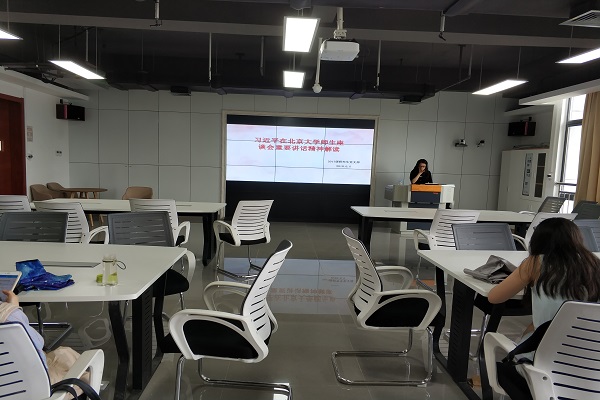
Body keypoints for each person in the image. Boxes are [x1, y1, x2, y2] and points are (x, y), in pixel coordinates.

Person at [487, 218, 600, 396]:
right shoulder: (594, 264)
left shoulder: (535, 263)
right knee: (531, 328)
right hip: (591, 365)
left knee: (525, 340)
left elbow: (495, 297)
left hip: (544, 367)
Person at [0, 290, 87, 388]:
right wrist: (12, 308)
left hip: (5, 387)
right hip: (36, 386)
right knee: (69, 357)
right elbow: (37, 344)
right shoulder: (10, 316)